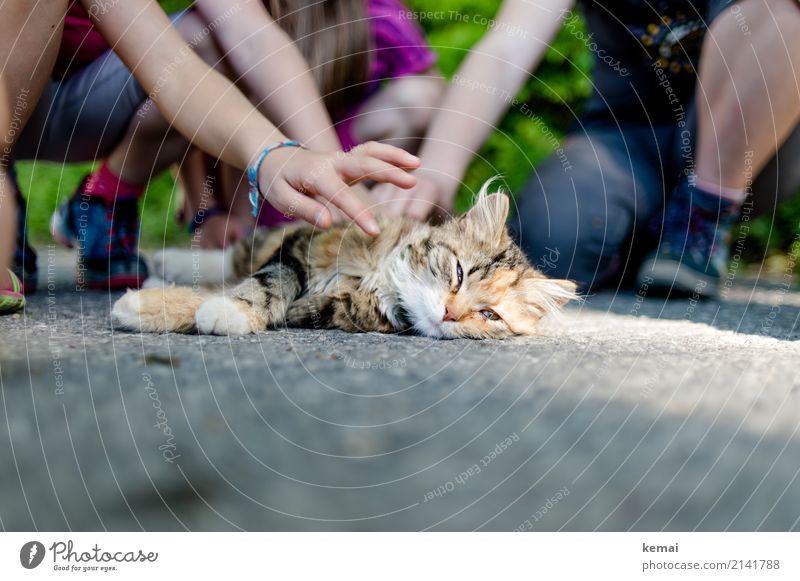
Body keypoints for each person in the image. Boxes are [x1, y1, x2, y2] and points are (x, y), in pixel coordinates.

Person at [374, 0, 800, 296]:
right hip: (627, 137)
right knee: (548, 244)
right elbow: (505, 50)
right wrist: (435, 170)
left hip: (753, 148)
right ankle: (652, 244)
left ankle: (700, 223)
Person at [3, 0, 420, 296]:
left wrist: (277, 154)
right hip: (14, 106)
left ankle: (107, 200)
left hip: (80, 106)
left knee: (209, 30)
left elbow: (192, 66)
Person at [150, 0, 443, 250]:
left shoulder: (379, 13)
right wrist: (205, 211)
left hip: (339, 158)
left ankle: (371, 213)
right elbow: (193, 108)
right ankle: (244, 231)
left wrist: (432, 178)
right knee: (242, 79)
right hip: (254, 174)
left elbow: (433, 89)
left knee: (419, 96)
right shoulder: (244, 14)